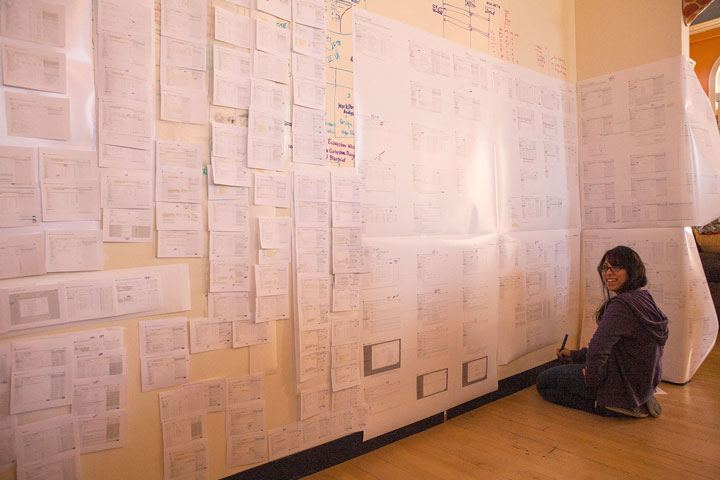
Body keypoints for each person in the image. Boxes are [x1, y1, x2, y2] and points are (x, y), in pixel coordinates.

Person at [536, 245, 669, 418]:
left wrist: (591, 379)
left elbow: (599, 349)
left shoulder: (622, 305)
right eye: (605, 267)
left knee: (544, 382)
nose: (608, 273)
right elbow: (613, 347)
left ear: (632, 270)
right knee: (569, 370)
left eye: (616, 267)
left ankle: (608, 405)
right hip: (639, 382)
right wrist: (575, 355)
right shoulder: (643, 298)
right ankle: (637, 400)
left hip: (620, 384)